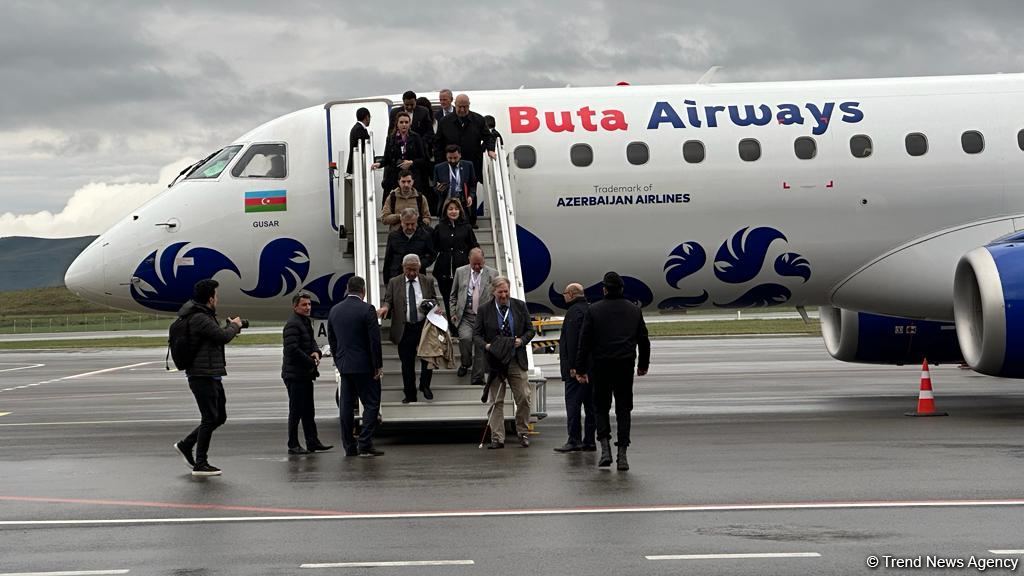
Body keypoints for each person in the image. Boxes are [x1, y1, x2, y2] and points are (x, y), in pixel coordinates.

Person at [575, 272, 650, 471]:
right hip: (625, 365)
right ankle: (623, 454)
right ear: (622, 289)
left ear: (604, 289)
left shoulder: (594, 310)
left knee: (601, 407)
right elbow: (643, 340)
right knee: (624, 409)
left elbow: (584, 342)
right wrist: (643, 364)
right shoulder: (634, 310)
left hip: (601, 366)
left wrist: (580, 369)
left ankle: (605, 449)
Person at [172, 279, 243, 477]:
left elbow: (216, 336)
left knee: (219, 416)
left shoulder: (203, 315)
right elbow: (222, 337)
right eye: (216, 295)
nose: (217, 298)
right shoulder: (199, 318)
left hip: (211, 374)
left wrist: (228, 329)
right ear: (210, 298)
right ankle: (200, 463)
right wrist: (235, 326)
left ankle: (186, 445)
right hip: (201, 375)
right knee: (210, 417)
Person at [474, 277, 535, 449]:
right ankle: (497, 438)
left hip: (516, 359)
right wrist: (486, 346)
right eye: (500, 292)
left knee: (523, 397)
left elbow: (530, 330)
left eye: (506, 291)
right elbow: (476, 335)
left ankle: (522, 432)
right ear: (493, 292)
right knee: (496, 401)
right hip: (495, 362)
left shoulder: (519, 306)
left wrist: (522, 341)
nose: (503, 295)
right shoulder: (484, 310)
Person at [327, 276, 385, 457]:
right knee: (371, 404)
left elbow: (332, 340)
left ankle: (349, 446)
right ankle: (365, 443)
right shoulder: (367, 310)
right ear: (364, 290)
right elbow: (374, 341)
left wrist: (339, 361)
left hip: (345, 366)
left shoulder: (335, 311)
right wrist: (378, 365)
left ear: (347, 289)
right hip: (365, 366)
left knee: (345, 406)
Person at [379, 254, 439, 403]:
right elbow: (388, 300)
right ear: (403, 267)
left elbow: (434, 299)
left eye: (415, 269)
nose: (412, 273)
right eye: (409, 269)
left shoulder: (427, 281)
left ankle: (425, 386)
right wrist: (385, 308)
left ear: (419, 268)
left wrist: (436, 308)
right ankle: (410, 394)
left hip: (423, 326)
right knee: (407, 364)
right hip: (404, 328)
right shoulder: (394, 282)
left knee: (428, 359)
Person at [434, 94, 496, 229]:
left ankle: (471, 221)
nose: (462, 110)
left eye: (465, 107)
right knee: (448, 191)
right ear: (454, 105)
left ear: (469, 105)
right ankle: (446, 220)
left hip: (471, 162)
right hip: (450, 162)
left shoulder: (478, 120)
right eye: (459, 107)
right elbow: (438, 143)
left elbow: (488, 137)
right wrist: (440, 163)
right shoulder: (445, 121)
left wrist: (490, 149)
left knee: (470, 191)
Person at [281, 292, 332, 455]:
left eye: (309, 305)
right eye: (304, 305)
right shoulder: (292, 324)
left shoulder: (305, 322)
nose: (308, 307)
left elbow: (311, 342)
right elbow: (292, 349)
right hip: (294, 375)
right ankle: (293, 444)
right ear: (295, 306)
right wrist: (310, 361)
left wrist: (317, 352)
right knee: (296, 410)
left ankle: (312, 441)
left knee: (308, 410)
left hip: (304, 374)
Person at [554, 283, 596, 453]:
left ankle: (574, 440)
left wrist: (574, 367)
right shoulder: (590, 309)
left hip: (576, 371)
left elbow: (572, 343)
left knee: (573, 405)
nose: (563, 296)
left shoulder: (573, 313)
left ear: (571, 294)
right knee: (591, 407)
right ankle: (590, 441)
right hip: (591, 369)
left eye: (565, 293)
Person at [449, 248, 497, 385]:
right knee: (465, 339)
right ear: (469, 260)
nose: (476, 267)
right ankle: (465, 363)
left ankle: (477, 378)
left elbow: (496, 296)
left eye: (479, 264)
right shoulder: (460, 272)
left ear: (484, 260)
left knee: (480, 347)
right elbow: (453, 295)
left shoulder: (492, 274)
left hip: (483, 318)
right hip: (465, 316)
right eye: (474, 264)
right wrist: (453, 312)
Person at [431, 197, 479, 318]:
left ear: (460, 211)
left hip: (463, 271)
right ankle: (453, 328)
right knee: (448, 300)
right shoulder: (439, 228)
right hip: (443, 271)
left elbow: (474, 247)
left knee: (463, 300)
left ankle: (463, 326)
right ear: (445, 211)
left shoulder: (467, 228)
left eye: (456, 209)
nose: (453, 211)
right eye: (450, 209)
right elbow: (433, 248)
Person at [375, 110, 431, 205]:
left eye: (406, 122)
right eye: (401, 122)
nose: (404, 125)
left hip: (412, 176)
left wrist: (411, 162)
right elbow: (387, 158)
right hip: (395, 177)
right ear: (397, 124)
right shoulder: (391, 138)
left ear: (410, 124)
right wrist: (379, 164)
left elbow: (424, 159)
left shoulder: (416, 137)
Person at [382, 208, 435, 283]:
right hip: (397, 276)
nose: (410, 227)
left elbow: (431, 255)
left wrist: (419, 264)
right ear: (401, 222)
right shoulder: (393, 236)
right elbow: (388, 259)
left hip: (418, 276)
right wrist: (387, 281)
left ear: (417, 221)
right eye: (407, 224)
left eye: (413, 224)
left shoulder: (425, 236)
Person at [433, 144, 477, 218]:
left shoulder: (468, 165)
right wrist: (439, 189)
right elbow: (434, 187)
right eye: (450, 158)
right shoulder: (438, 168)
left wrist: (470, 196)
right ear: (446, 156)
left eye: (455, 158)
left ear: (460, 155)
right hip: (446, 202)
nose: (453, 160)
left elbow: (473, 184)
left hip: (462, 201)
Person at [347, 107, 371, 175]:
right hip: (358, 167)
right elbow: (364, 149)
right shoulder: (359, 129)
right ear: (367, 117)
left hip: (357, 166)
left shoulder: (356, 128)